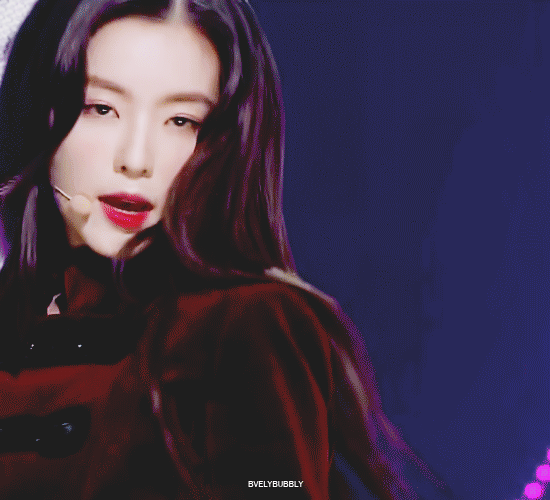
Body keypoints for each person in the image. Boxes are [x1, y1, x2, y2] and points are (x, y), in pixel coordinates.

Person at [0, 0, 452, 498]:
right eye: (101, 108)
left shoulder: (243, 323)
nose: (136, 158)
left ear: (222, 140)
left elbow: (278, 487)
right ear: (35, 109)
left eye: (181, 120)